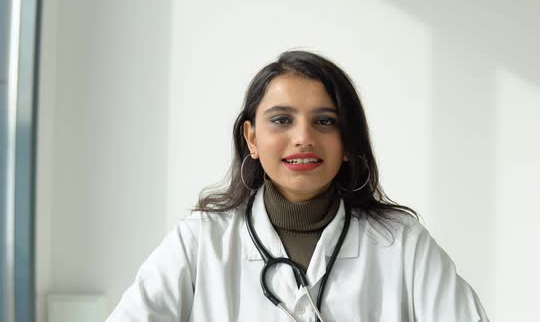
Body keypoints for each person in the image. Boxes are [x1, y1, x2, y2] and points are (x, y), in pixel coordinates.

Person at [107, 50, 489, 321]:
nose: (304, 137)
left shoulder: (402, 243)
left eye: (324, 121)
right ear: (252, 139)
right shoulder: (199, 242)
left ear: (347, 142)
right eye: (281, 120)